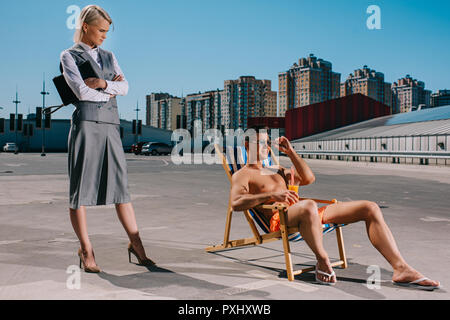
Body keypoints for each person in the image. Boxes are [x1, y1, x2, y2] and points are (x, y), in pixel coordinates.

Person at [229, 125, 440, 289]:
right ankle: (322, 260)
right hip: (281, 219)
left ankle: (400, 268)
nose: (265, 148)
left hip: (307, 212)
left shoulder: (278, 169)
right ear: (247, 146)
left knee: (370, 207)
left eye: (267, 143)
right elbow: (236, 203)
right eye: (260, 143)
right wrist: (272, 194)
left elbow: (309, 179)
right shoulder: (243, 175)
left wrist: (291, 152)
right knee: (309, 205)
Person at [60, 5, 154, 272]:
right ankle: (86, 249)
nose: (104, 35)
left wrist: (103, 85)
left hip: (110, 125)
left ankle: (136, 244)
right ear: (86, 26)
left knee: (121, 189)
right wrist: (110, 91)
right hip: (87, 125)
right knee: (79, 192)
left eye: (107, 31)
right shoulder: (69, 56)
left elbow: (125, 87)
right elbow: (79, 92)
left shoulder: (109, 55)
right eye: (101, 30)